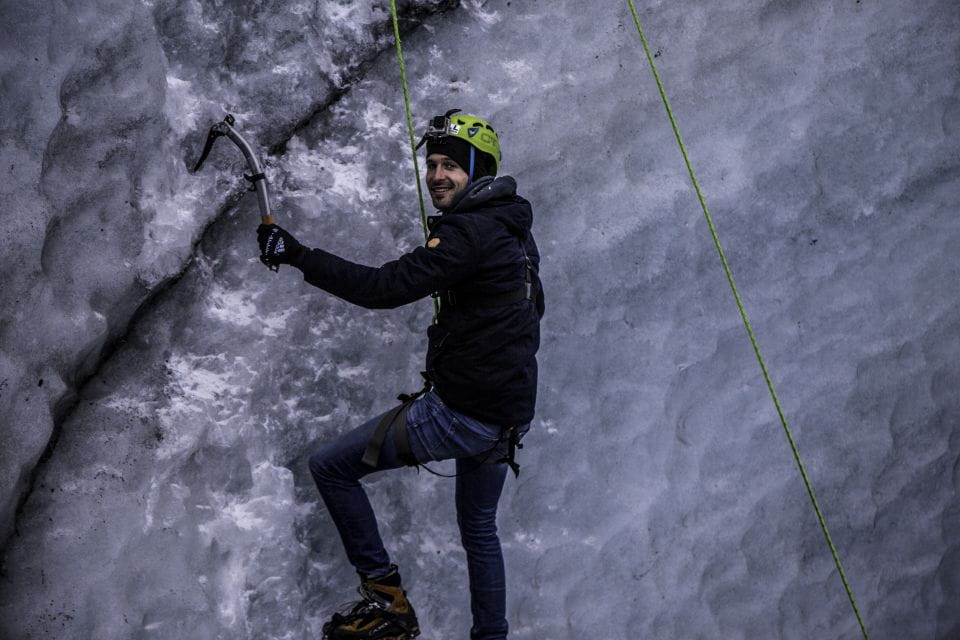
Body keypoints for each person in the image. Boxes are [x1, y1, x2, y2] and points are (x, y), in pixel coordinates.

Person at [257, 109, 544, 640]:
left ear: (478, 171)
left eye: (451, 166)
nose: (437, 175)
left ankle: (387, 600)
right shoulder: (511, 226)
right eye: (432, 164)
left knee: (330, 467)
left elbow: (383, 289)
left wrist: (297, 254)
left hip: (467, 415)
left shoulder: (470, 233)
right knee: (479, 529)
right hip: (507, 416)